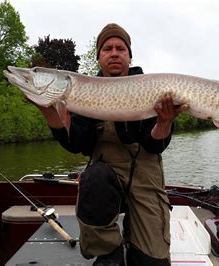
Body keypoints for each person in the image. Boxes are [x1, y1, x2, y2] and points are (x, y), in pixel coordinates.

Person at [34, 23, 186, 266]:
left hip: (145, 178)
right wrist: (50, 114)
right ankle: (109, 252)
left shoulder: (151, 88)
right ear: (99, 57)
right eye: (107, 48)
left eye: (120, 48)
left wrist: (165, 122)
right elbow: (79, 144)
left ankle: (137, 238)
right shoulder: (83, 92)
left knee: (152, 262)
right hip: (106, 177)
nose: (114, 53)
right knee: (94, 177)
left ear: (129, 55)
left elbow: (154, 145)